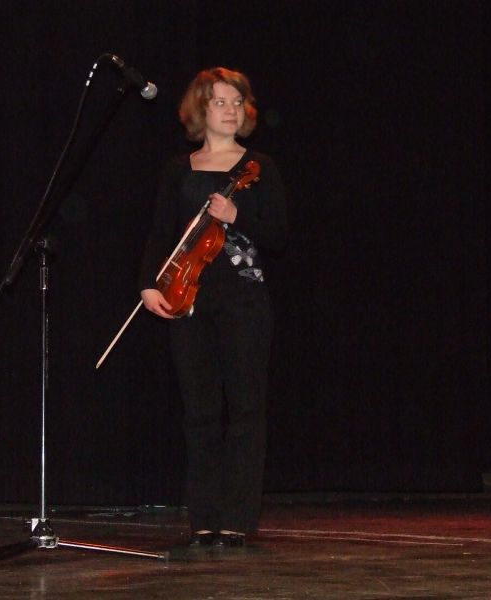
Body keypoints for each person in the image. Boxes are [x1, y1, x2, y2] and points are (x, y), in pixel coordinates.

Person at [139, 67, 287, 548]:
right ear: (200, 110)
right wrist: (148, 286)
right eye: (220, 102)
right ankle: (203, 518)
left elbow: (279, 235)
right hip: (189, 298)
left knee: (246, 410)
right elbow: (161, 234)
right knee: (199, 412)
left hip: (244, 300)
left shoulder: (259, 167)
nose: (230, 110)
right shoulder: (178, 170)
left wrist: (237, 214)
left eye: (237, 102)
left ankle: (238, 519)